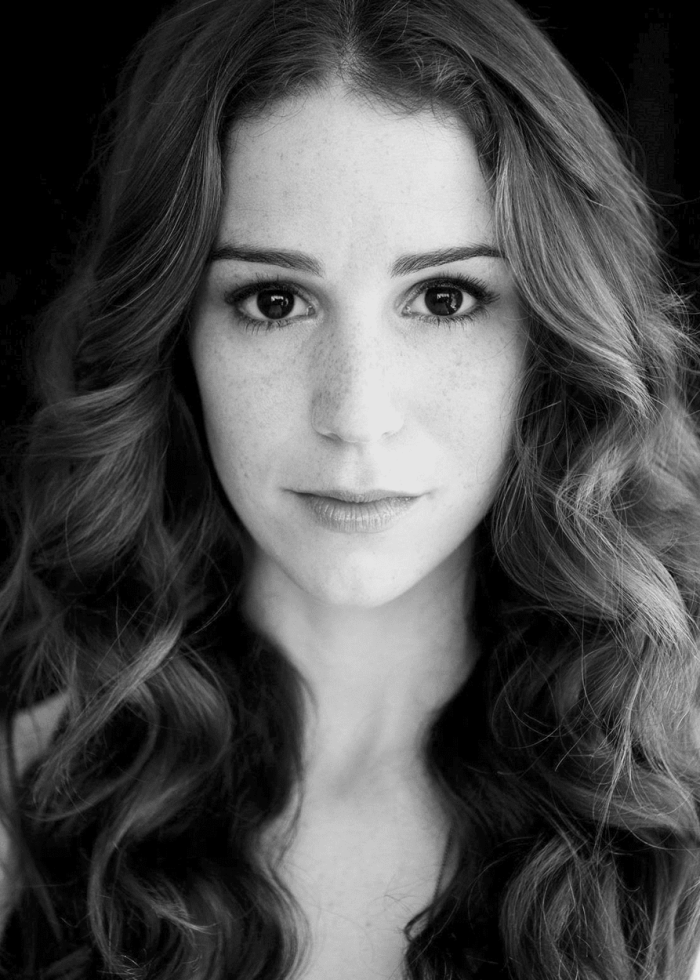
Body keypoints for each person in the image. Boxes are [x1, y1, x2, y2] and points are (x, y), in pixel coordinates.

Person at [1, 0, 699, 977]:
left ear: (552, 334)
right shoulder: (28, 805)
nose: (356, 412)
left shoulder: (675, 818)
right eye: (273, 300)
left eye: (445, 298)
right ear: (175, 338)